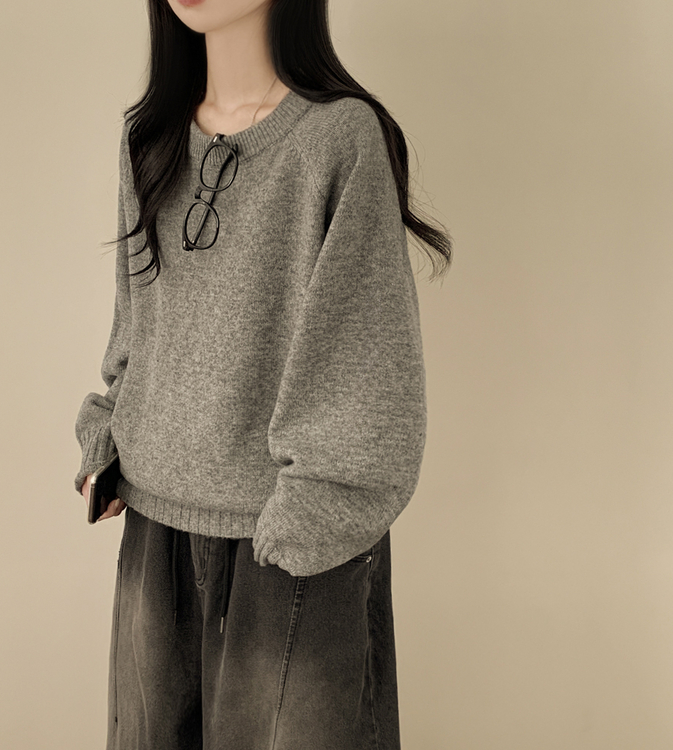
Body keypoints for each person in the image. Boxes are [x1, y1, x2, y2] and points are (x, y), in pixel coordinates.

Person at [74, 0, 451, 747]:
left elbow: (368, 360)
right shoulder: (149, 137)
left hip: (290, 547)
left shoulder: (339, 138)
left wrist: (317, 513)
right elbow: (137, 322)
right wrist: (108, 437)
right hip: (152, 534)